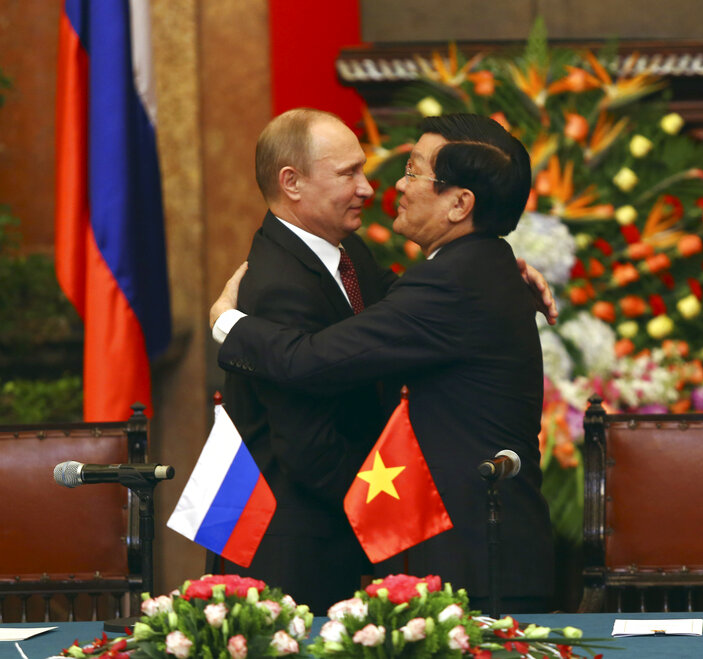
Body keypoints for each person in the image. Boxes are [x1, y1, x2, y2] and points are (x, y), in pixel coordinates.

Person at [213, 113, 556, 612]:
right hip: (302, 545)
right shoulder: (474, 268)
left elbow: (311, 361)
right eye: (349, 173)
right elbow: (307, 438)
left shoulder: (454, 278)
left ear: (460, 204)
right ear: (292, 183)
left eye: (413, 172)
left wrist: (227, 323)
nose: (382, 187)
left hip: (479, 561)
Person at [214, 108, 394, 614]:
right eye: (348, 174)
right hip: (295, 558)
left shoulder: (348, 250)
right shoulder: (277, 284)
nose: (367, 188)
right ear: (291, 182)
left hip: (326, 537)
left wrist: (486, 276)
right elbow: (307, 448)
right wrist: (378, 517)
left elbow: (400, 309)